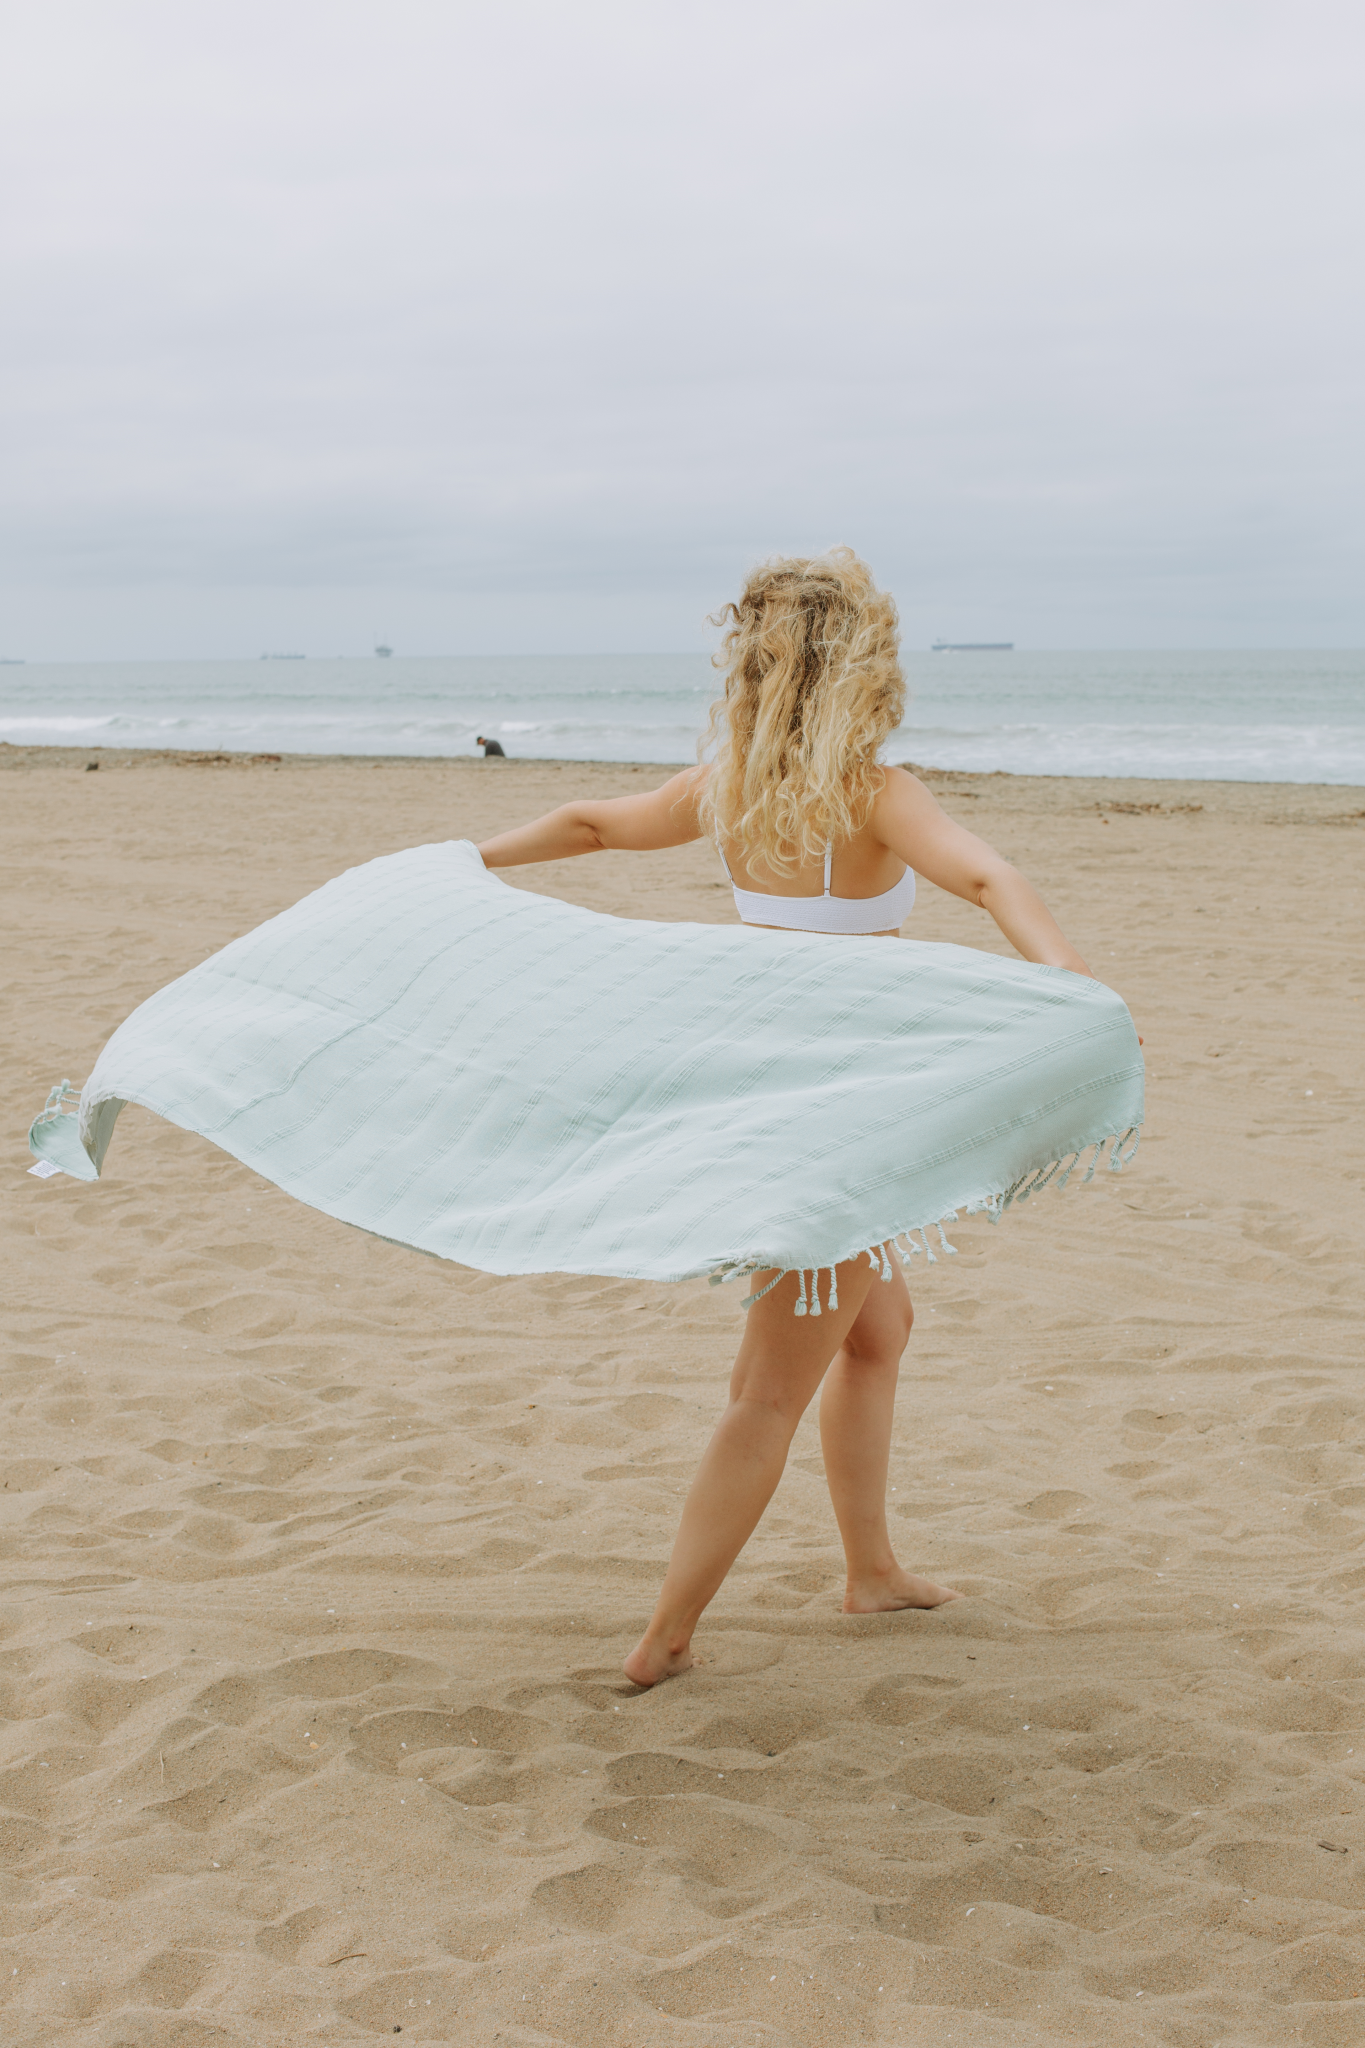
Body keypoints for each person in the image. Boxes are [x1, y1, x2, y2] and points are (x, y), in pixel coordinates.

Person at [478, 549, 1099, 1688]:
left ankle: (870, 1567)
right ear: (862, 665)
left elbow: (588, 822)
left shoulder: (733, 785)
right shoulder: (872, 788)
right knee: (766, 1392)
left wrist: (467, 859)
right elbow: (985, 878)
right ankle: (666, 1633)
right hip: (845, 1132)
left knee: (878, 1330)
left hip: (764, 1102)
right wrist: (1073, 978)